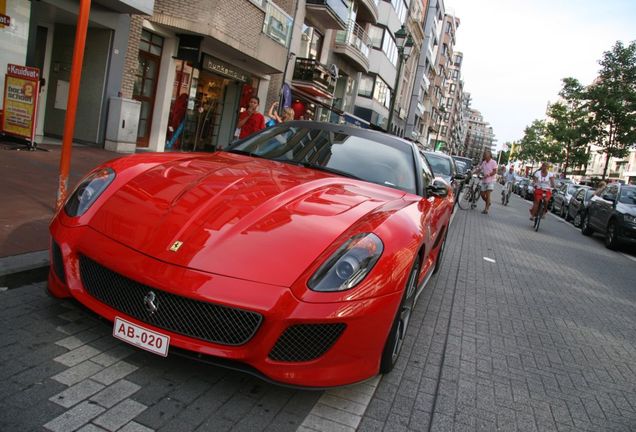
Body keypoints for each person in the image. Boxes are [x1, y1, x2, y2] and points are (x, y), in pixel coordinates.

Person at [474, 150, 498, 214]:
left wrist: (488, 175)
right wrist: (473, 172)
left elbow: (495, 171)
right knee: (482, 194)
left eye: (486, 154)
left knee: (488, 195)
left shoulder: (493, 162)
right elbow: (479, 169)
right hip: (484, 181)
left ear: (489, 155)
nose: (484, 155)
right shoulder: (484, 162)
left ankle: (486, 209)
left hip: (491, 181)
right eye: (484, 154)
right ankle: (488, 202)